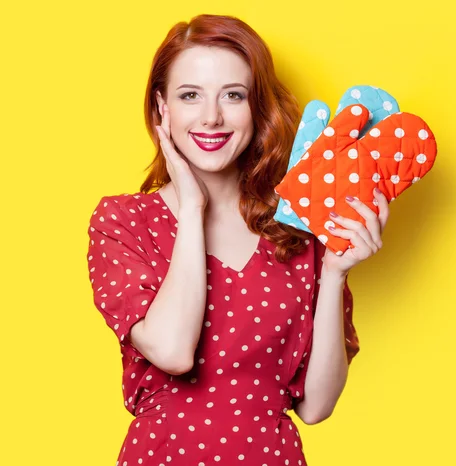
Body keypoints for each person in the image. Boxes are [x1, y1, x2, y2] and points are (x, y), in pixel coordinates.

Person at [86, 13, 388, 466]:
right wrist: (191, 208)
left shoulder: (298, 224)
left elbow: (316, 406)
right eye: (190, 96)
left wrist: (334, 273)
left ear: (257, 108)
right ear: (161, 109)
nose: (212, 117)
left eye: (233, 95)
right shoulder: (125, 221)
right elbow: (171, 351)